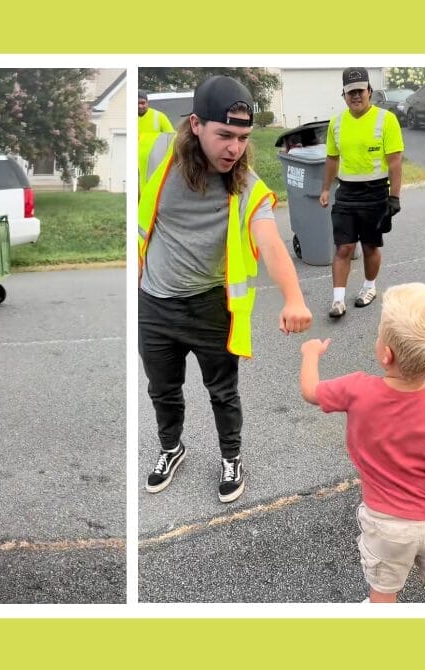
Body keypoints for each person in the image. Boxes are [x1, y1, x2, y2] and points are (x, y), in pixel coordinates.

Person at [139, 75, 312, 503]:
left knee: (222, 391)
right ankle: (171, 448)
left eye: (242, 137)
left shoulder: (246, 182)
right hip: (155, 304)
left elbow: (270, 241)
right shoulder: (159, 152)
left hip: (210, 307)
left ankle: (231, 457)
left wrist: (294, 298)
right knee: (162, 389)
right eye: (224, 135)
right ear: (195, 124)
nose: (233, 148)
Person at [299, 283, 425, 603]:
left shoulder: (356, 389)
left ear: (386, 354)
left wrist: (310, 354)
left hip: (386, 524)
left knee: (384, 592)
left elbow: (311, 391)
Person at [319, 68, 405, 319]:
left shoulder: (386, 119)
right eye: (350, 92)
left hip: (376, 193)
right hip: (346, 193)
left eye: (360, 91)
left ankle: (369, 288)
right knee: (343, 248)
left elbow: (395, 162)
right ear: (344, 95)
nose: (356, 96)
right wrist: (326, 188)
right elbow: (332, 158)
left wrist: (395, 196)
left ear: (369, 91)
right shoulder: (336, 122)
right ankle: (337, 301)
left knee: (369, 246)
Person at [137, 90, 175, 185]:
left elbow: (172, 139)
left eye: (143, 103)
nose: (140, 106)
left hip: (155, 166)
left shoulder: (159, 117)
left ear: (147, 103)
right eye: (137, 103)